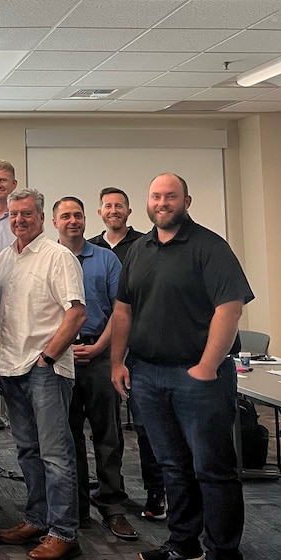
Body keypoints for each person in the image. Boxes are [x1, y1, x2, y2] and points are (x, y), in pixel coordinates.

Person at [110, 174, 253, 560]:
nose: (162, 202)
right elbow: (123, 309)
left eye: (170, 196)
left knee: (213, 468)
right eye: (156, 196)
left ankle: (224, 550)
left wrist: (207, 366)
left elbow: (230, 308)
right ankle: (183, 544)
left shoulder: (210, 247)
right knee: (172, 465)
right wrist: (117, 362)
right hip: (147, 375)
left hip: (198, 377)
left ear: (186, 201)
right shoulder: (139, 249)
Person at [0, 188, 86, 560]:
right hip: (11, 368)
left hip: (44, 369)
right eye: (14, 214)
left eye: (27, 214)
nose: (19, 220)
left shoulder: (58, 257)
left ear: (42, 218)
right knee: (28, 451)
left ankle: (64, 533)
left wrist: (48, 357)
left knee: (55, 455)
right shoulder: (2, 259)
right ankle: (37, 518)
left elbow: (76, 313)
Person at [52, 196, 135, 540]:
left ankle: (113, 508)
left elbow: (121, 309)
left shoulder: (107, 259)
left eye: (78, 214)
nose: (73, 220)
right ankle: (78, 508)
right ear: (54, 222)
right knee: (67, 439)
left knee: (108, 436)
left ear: (87, 219)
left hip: (100, 355)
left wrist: (100, 346)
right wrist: (64, 348)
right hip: (61, 358)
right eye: (65, 215)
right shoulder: (48, 258)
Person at [88, 186, 164, 522]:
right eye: (108, 206)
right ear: (100, 212)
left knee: (147, 426)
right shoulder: (90, 248)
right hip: (104, 350)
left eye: (120, 205)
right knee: (108, 428)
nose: (114, 210)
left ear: (129, 212)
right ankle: (110, 490)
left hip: (142, 348)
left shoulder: (148, 245)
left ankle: (156, 491)